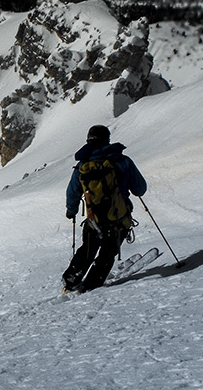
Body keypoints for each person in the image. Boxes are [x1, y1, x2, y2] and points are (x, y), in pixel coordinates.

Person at [63, 125, 147, 292]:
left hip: (94, 220)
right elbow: (140, 189)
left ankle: (71, 280)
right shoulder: (122, 161)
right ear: (107, 139)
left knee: (87, 249)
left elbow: (73, 192)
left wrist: (71, 211)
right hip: (118, 219)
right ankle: (92, 284)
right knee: (108, 253)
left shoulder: (83, 165)